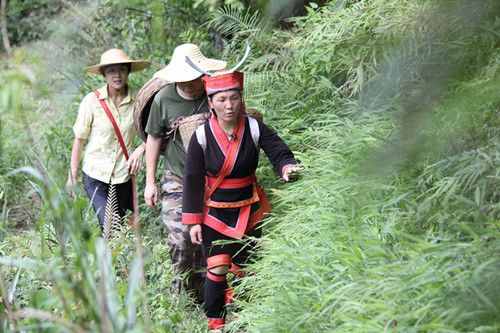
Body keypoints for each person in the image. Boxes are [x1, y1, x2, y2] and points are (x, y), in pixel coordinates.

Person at [182, 70, 301, 331]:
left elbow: (278, 151)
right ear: (211, 102)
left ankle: (249, 317)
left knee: (248, 267)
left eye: (234, 98)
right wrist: (193, 222)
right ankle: (216, 322)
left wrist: (287, 167)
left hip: (249, 209)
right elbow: (191, 178)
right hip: (214, 213)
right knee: (217, 268)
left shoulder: (255, 128)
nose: (229, 105)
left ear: (241, 99)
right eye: (222, 99)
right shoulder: (201, 137)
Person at [143, 44, 226, 301]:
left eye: (194, 78)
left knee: (209, 240)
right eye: (183, 79)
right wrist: (150, 181)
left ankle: (207, 295)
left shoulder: (216, 93)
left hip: (215, 181)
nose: (189, 84)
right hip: (177, 179)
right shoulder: (163, 99)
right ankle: (180, 295)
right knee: (180, 240)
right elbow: (154, 139)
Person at [67, 48, 150, 230]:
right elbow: (79, 139)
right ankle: (105, 256)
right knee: (109, 224)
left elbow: (153, 133)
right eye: (111, 70)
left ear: (128, 71)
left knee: (121, 228)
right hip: (96, 174)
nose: (117, 75)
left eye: (121, 69)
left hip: (124, 176)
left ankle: (106, 256)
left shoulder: (138, 102)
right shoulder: (91, 102)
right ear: (104, 74)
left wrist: (140, 149)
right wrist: (72, 175)